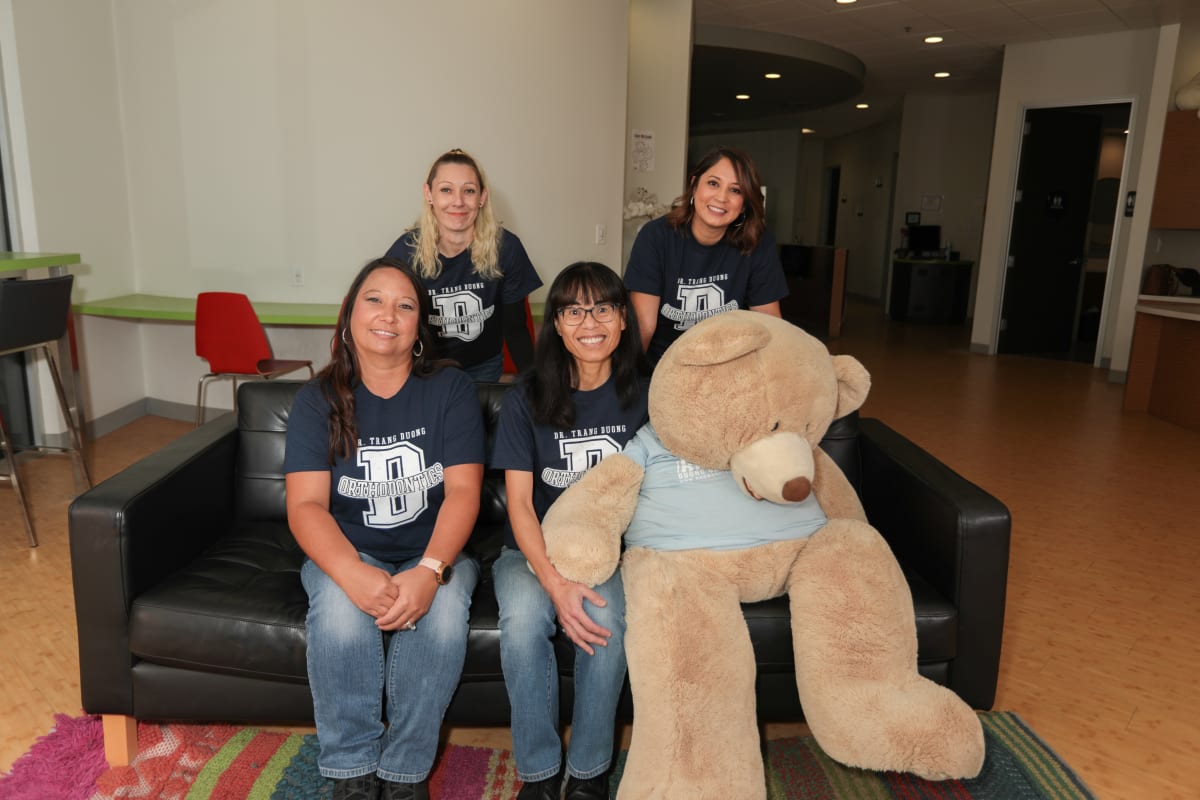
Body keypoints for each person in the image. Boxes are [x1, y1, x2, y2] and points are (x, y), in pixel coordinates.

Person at [284, 257, 485, 800]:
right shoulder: (315, 400)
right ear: (350, 314)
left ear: (419, 326)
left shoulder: (452, 389)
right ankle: (351, 772)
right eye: (374, 300)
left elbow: (464, 492)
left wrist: (431, 569)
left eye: (405, 305)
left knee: (442, 619)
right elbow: (305, 505)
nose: (388, 315)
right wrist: (350, 572)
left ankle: (403, 775)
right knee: (342, 619)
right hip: (352, 549)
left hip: (434, 552)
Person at [490, 262, 650, 800]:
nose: (589, 322)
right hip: (529, 552)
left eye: (602, 307)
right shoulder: (525, 398)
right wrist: (554, 585)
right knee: (521, 621)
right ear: (556, 324)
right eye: (573, 310)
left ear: (623, 320)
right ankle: (537, 775)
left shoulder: (645, 399)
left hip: (608, 555)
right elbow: (518, 503)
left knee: (606, 626)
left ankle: (587, 773)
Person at [385, 148, 543, 381]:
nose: (458, 202)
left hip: (483, 365)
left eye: (468, 191)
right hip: (424, 365)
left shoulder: (506, 248)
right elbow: (389, 323)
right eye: (446, 190)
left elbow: (516, 327)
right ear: (429, 194)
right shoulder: (406, 252)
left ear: (482, 197)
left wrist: (536, 385)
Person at [624, 145, 789, 366]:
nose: (721, 197)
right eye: (713, 183)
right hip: (664, 367)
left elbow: (770, 322)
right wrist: (627, 388)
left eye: (735, 190)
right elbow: (643, 326)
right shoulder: (655, 236)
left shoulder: (758, 242)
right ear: (694, 185)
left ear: (744, 204)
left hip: (729, 366)